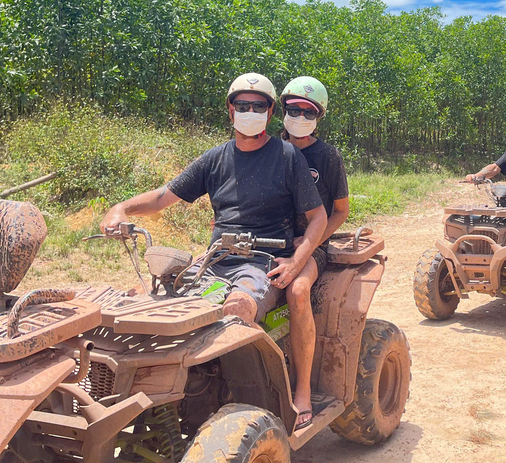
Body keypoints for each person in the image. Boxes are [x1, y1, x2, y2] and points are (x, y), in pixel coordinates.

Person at [100, 72, 328, 333]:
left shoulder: (288, 156)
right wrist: (121, 209)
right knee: (148, 297)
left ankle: (242, 374)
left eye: (258, 106)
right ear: (231, 111)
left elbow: (318, 217)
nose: (249, 112)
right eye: (242, 106)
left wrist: (295, 263)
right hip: (213, 261)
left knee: (236, 310)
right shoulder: (214, 159)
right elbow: (163, 196)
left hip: (260, 264)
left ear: (270, 111)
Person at [279, 76, 349, 430]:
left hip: (312, 244)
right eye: (294, 109)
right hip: (268, 242)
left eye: (308, 111)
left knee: (298, 290)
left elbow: (340, 209)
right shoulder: (269, 149)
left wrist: (313, 241)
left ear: (319, 116)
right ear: (283, 110)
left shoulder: (327, 156)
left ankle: (303, 390)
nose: (300, 116)